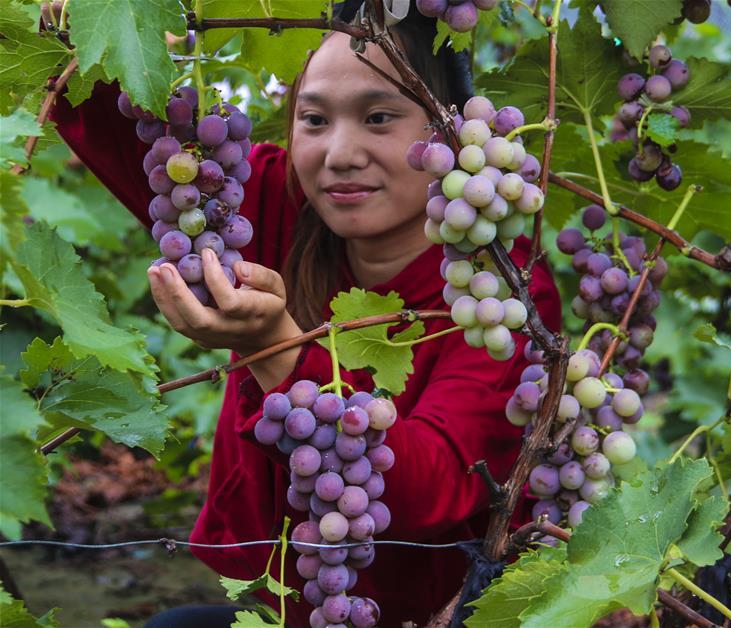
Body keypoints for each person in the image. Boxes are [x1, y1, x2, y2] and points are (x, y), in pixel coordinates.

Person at [50, 6, 561, 626]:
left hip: (414, 614)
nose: (340, 154)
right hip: (282, 602)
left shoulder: (497, 291)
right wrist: (82, 22)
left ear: (451, 133)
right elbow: (107, 113)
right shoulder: (272, 198)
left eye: (379, 117)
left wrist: (280, 349)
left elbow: (435, 485)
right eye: (314, 119)